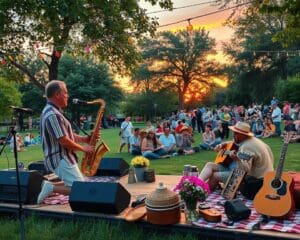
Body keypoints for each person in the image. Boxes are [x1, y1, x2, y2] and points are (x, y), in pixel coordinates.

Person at [37, 80, 96, 204]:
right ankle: (51, 187)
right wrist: (84, 148)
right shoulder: (53, 114)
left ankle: (49, 185)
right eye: (65, 92)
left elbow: (66, 135)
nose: (67, 96)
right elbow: (63, 140)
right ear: (57, 94)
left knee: (79, 183)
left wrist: (84, 139)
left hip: (63, 157)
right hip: (60, 158)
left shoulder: (54, 112)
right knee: (80, 188)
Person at [199, 121, 274, 191]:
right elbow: (233, 142)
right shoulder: (253, 140)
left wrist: (237, 159)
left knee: (215, 176)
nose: (233, 135)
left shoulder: (246, 147)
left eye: (236, 133)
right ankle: (196, 184)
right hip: (267, 177)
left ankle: (201, 191)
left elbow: (244, 170)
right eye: (234, 132)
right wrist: (222, 144)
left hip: (255, 181)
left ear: (243, 134)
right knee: (210, 165)